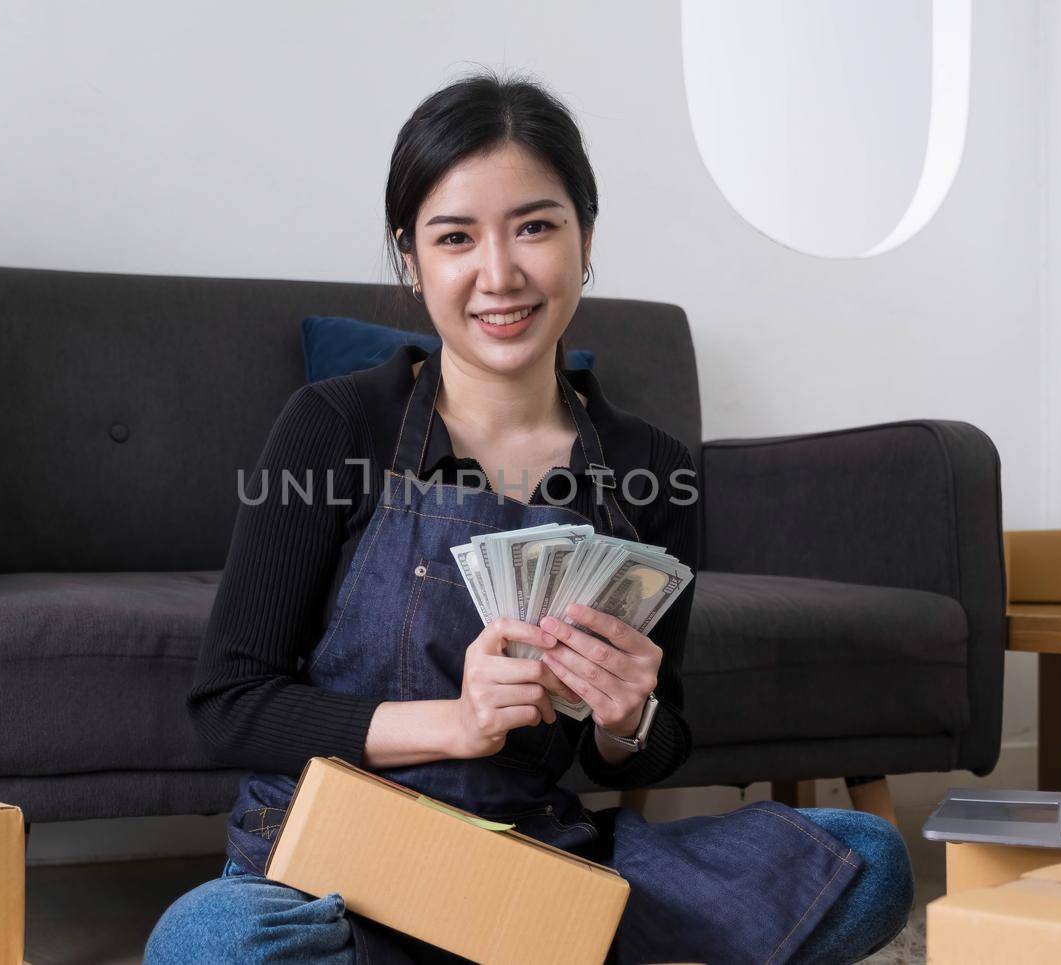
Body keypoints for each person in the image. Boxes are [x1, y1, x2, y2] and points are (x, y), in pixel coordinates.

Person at [146, 70, 913, 965]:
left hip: (530, 855)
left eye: (536, 227)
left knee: (869, 860)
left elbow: (657, 745)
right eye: (456, 237)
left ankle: (529, 941)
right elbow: (231, 704)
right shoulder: (334, 424)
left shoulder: (648, 468)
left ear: (585, 237)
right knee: (212, 945)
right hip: (339, 870)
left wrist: (629, 718)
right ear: (411, 257)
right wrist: (455, 722)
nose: (499, 275)